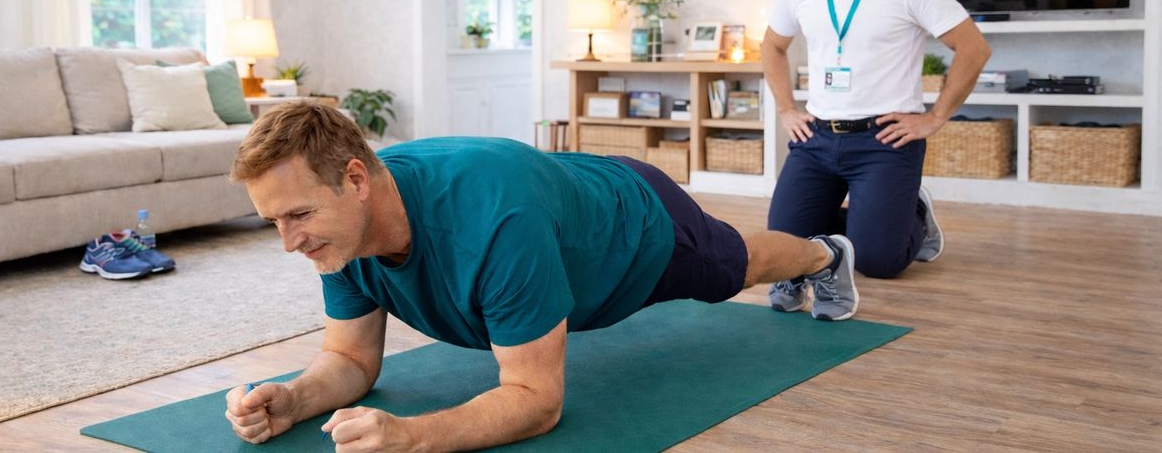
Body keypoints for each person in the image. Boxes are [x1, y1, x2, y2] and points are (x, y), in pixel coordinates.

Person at [223, 102, 861, 450]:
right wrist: (296, 398)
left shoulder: (494, 223)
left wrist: (413, 436)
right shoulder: (339, 233)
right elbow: (351, 360)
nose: (289, 243)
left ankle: (826, 252)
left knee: (733, 269)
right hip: (556, 195)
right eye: (273, 222)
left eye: (298, 216)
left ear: (356, 181)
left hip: (638, 221)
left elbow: (537, 401)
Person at [761, 0, 992, 303]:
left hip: (883, 140)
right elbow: (771, 47)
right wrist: (787, 107)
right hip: (817, 138)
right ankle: (869, 213)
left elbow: (974, 48)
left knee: (879, 262)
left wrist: (935, 117)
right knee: (784, 246)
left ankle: (914, 214)